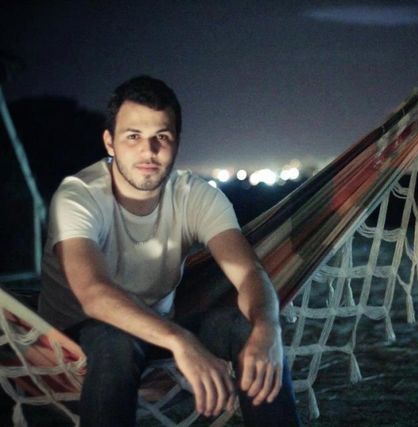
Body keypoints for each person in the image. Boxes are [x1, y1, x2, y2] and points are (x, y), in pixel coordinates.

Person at [37, 75, 300, 426]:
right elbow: (93, 294)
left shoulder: (196, 196)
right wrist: (181, 340)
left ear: (177, 142)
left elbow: (249, 272)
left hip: (157, 331)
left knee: (246, 328)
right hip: (72, 342)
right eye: (133, 137)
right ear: (110, 142)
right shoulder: (79, 196)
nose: (149, 151)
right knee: (114, 338)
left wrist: (268, 327)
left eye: (161, 137)